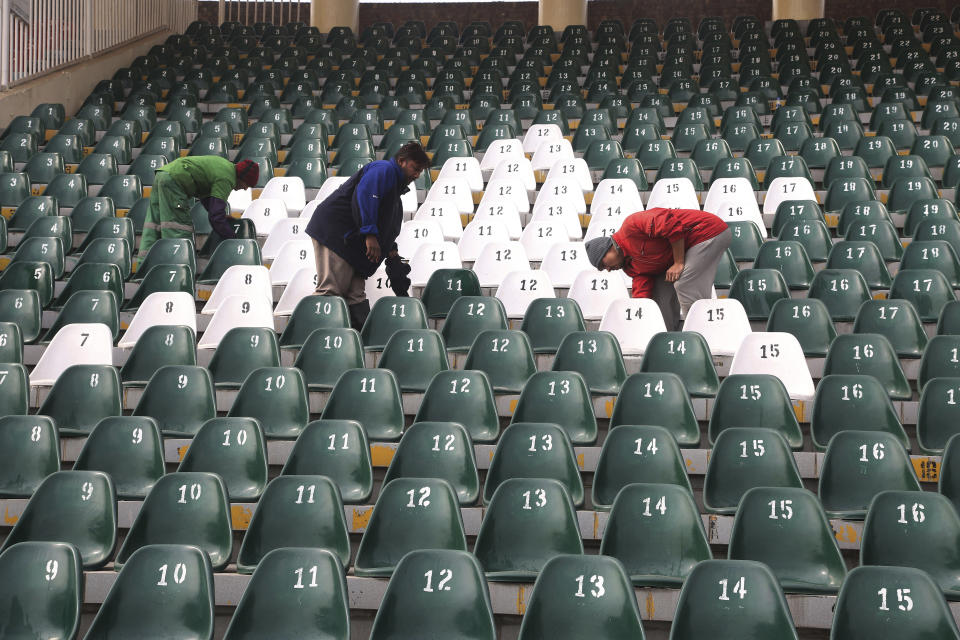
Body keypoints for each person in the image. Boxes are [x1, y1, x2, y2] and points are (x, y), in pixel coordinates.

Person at [305, 141, 431, 330]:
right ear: (401, 161)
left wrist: (392, 252)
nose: (416, 175)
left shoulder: (394, 189)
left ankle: (359, 341)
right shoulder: (384, 170)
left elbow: (386, 226)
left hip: (351, 241)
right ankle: (310, 337)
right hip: (337, 234)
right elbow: (365, 195)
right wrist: (369, 234)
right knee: (330, 291)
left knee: (355, 295)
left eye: (420, 171)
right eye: (415, 168)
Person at [585, 207, 731, 330]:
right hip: (686, 248)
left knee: (685, 283)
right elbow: (642, 296)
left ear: (608, 249)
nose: (608, 269)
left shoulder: (631, 225)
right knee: (658, 295)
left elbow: (672, 226)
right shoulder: (630, 267)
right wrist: (639, 323)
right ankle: (667, 339)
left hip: (708, 231)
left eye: (603, 264)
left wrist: (679, 262)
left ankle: (698, 336)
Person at [137, 156, 260, 258]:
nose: (245, 189)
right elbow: (215, 217)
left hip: (163, 174)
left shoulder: (223, 167)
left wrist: (223, 217)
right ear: (242, 177)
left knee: (153, 225)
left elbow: (207, 200)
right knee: (178, 228)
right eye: (247, 185)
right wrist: (232, 238)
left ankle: (143, 267)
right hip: (175, 180)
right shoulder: (227, 177)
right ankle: (178, 264)